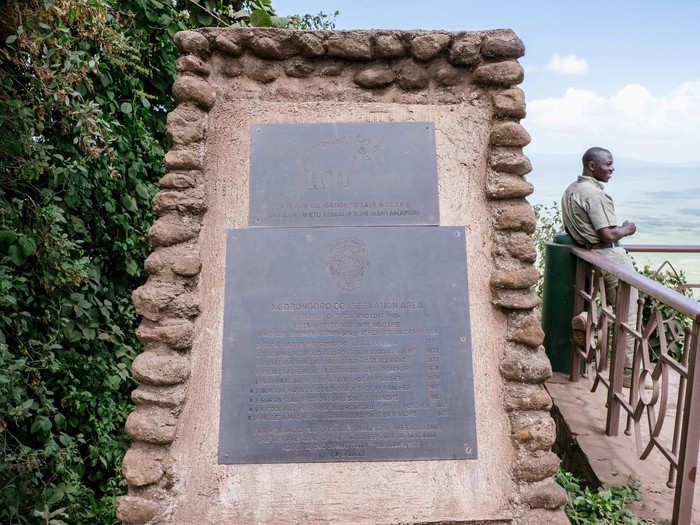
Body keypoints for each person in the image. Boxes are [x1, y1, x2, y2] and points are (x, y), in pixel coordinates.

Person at [561, 147, 638, 387]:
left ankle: (587, 320)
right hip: (610, 256)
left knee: (606, 305)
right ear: (592, 166)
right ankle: (626, 374)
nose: (612, 168)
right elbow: (606, 233)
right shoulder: (594, 194)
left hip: (591, 256)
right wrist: (627, 228)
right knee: (629, 315)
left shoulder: (571, 190)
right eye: (608, 164)